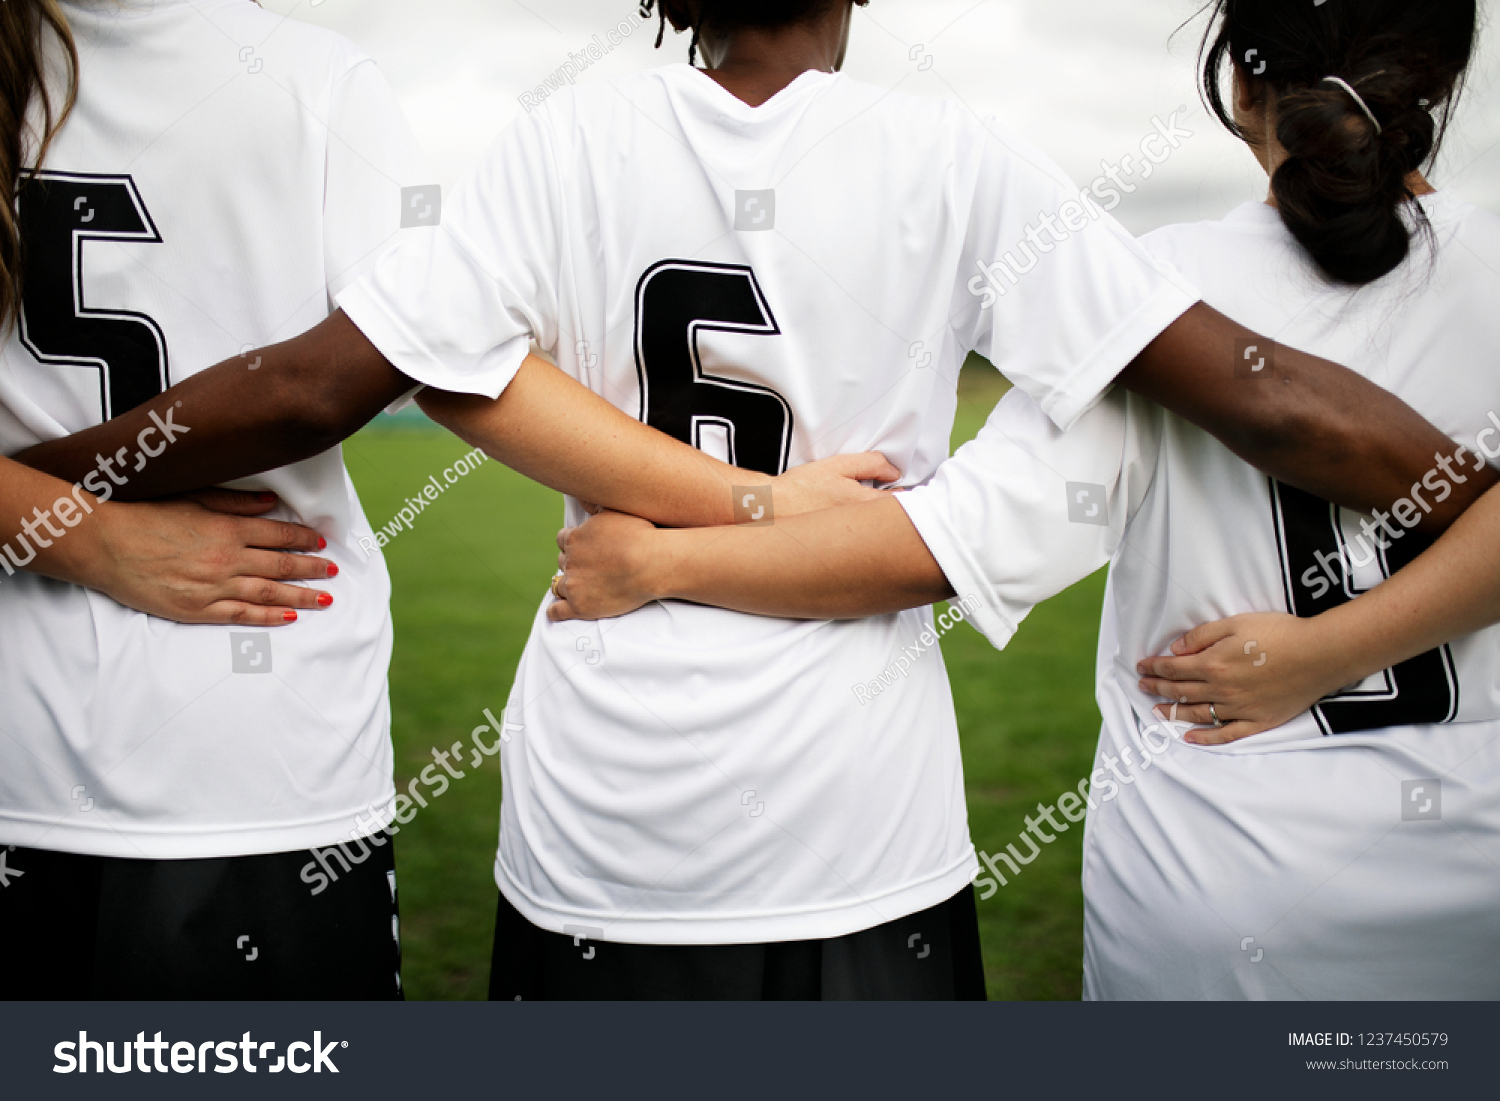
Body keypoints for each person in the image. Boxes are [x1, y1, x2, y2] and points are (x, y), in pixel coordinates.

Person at [14, 0, 1492, 1000]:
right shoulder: (958, 158)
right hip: (858, 827)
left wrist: (693, 537)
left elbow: (412, 369)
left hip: (602, 821)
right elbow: (1256, 401)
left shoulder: (560, 143)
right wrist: (1478, 505)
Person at [549, 0, 1500, 999]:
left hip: (1224, 893)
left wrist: (667, 559)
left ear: (1239, 85)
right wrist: (1351, 644)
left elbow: (947, 543)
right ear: (1435, 84)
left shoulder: (1160, 289)